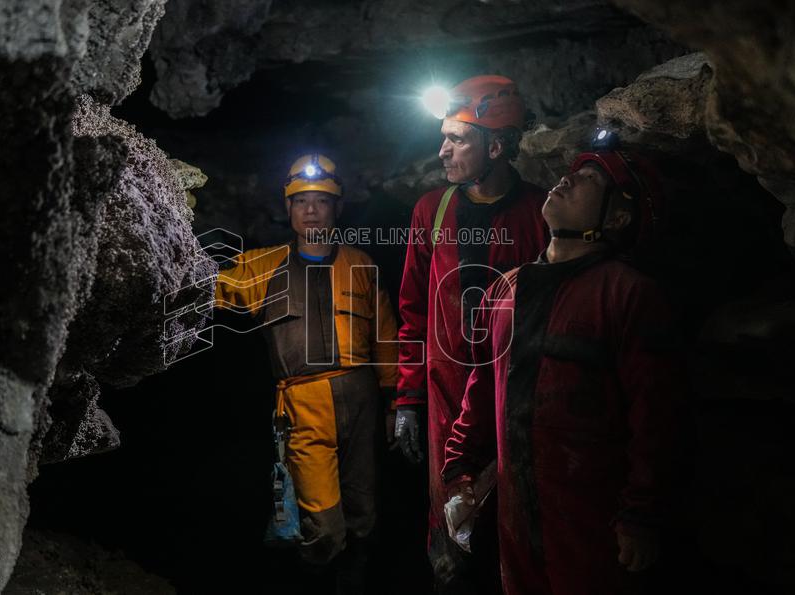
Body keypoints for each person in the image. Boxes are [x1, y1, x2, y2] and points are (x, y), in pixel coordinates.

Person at [442, 140, 688, 595]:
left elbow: (656, 415)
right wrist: (459, 473)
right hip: (517, 517)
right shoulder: (508, 288)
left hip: (592, 521)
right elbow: (482, 386)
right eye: (572, 172)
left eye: (591, 180)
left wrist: (641, 513)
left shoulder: (627, 294)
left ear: (617, 219)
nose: (567, 179)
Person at [214, 153, 399, 592]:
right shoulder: (262, 266)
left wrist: (397, 404)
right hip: (304, 404)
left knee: (364, 516)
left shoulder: (361, 264)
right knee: (323, 526)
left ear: (338, 208)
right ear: (289, 209)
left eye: (321, 200)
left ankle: (351, 583)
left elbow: (387, 338)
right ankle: (313, 576)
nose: (311, 209)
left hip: (364, 400)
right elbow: (205, 285)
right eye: (301, 202)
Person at [394, 74, 549, 592]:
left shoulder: (539, 213)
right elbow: (413, 309)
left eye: (457, 139)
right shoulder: (430, 210)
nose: (442, 151)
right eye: (443, 137)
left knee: (514, 513)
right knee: (449, 527)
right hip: (446, 390)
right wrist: (407, 399)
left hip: (513, 393)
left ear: (497, 146)